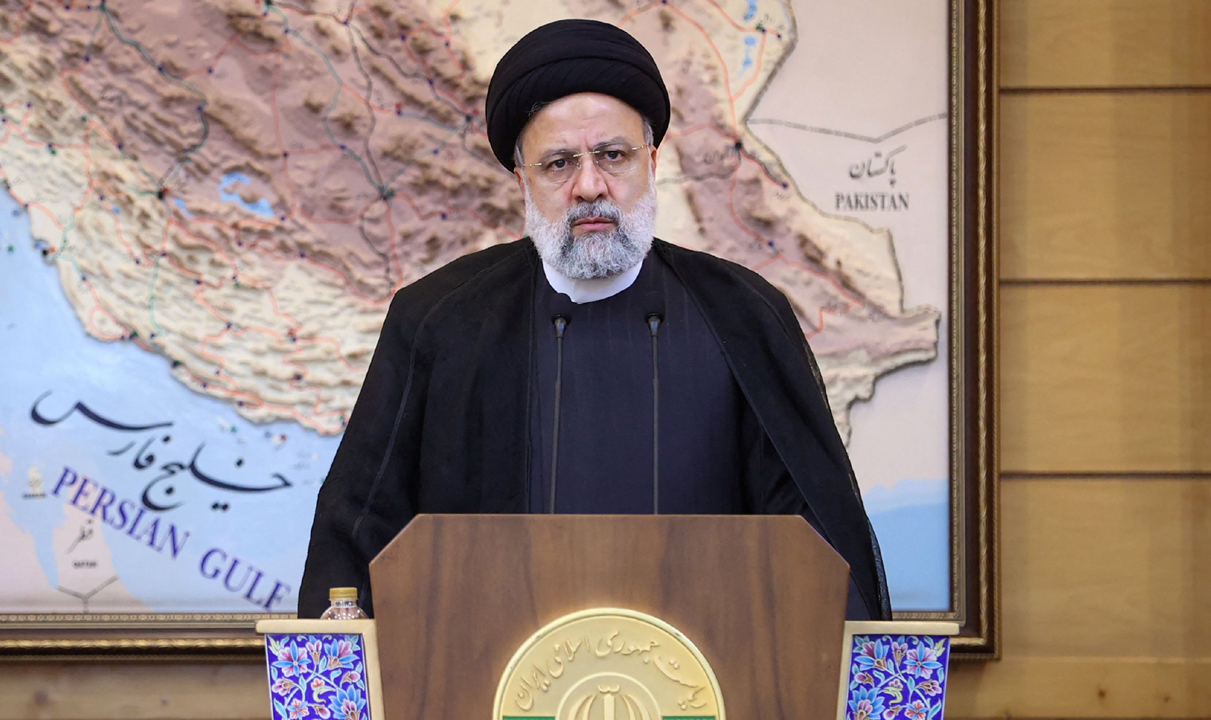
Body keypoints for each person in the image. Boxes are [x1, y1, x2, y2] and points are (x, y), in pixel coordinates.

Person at [297, 19, 891, 621]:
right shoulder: (439, 320)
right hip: (488, 670)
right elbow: (357, 539)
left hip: (706, 671)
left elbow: (814, 548)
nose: (589, 186)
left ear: (651, 161)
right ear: (522, 180)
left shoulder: (743, 314)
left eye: (612, 155)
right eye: (559, 163)